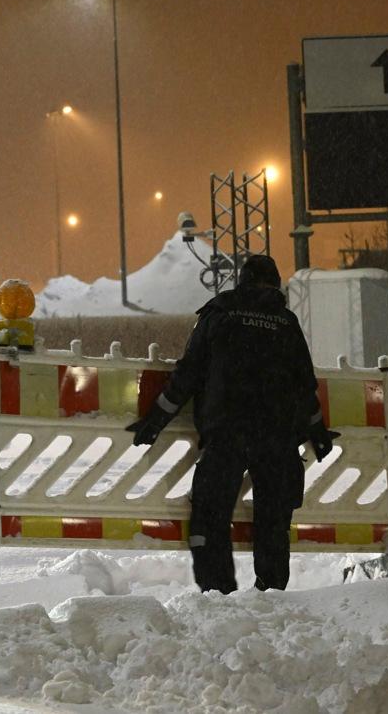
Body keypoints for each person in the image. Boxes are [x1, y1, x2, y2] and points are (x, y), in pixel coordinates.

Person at [125, 254, 338, 594]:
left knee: (210, 515)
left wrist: (156, 419)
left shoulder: (218, 314)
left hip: (227, 432)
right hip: (277, 436)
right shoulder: (286, 322)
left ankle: (216, 593)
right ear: (275, 285)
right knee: (273, 520)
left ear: (241, 281)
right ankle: (270, 593)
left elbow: (187, 374)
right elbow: (304, 385)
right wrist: (317, 430)